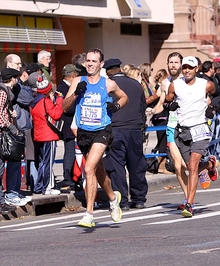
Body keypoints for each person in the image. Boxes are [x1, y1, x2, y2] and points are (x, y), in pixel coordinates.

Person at [62, 48, 128, 228]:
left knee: (89, 168)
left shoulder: (108, 84)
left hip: (102, 130)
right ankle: (113, 198)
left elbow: (124, 97)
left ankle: (89, 214)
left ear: (101, 64)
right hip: (84, 132)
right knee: (99, 172)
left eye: (93, 61)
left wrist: (116, 106)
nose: (90, 64)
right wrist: (76, 94)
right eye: (88, 61)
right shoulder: (77, 81)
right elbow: (64, 107)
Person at [165, 56, 218, 218]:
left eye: (190, 67)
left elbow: (216, 95)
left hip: (200, 129)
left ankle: (189, 203)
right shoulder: (176, 85)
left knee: (193, 167)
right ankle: (209, 164)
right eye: (185, 67)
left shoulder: (206, 84)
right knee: (189, 167)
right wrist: (170, 105)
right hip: (183, 131)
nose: (187, 70)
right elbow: (167, 99)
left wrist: (212, 108)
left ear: (197, 69)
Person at [103, 58, 148, 210]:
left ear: (108, 71)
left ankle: (122, 200)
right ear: (120, 68)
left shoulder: (108, 85)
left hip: (115, 128)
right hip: (135, 128)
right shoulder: (135, 84)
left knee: (117, 165)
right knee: (136, 163)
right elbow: (143, 106)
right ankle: (139, 198)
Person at [149, 52, 191, 210]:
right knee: (177, 166)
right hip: (172, 125)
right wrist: (152, 112)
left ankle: (206, 166)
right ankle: (188, 199)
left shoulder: (188, 80)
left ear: (181, 64)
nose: (173, 65)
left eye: (176, 62)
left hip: (188, 125)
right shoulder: (165, 83)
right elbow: (161, 103)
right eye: (170, 62)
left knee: (188, 166)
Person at [0, 68, 22, 214]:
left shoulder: (3, 91)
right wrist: (9, 126)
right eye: (16, 78)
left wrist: (9, 113)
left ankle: (0, 201)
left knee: (0, 168)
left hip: (0, 134)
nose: (17, 80)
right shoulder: (2, 92)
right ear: (13, 79)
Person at [3, 54, 34, 205]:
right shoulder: (10, 80)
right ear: (9, 64)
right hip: (13, 126)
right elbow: (27, 98)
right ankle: (11, 192)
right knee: (13, 161)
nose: (19, 67)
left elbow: (29, 95)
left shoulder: (19, 81)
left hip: (21, 124)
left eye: (20, 64)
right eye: (17, 64)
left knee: (17, 160)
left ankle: (16, 191)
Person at [31, 74, 63, 195]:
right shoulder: (46, 101)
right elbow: (56, 115)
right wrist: (59, 101)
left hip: (39, 134)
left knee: (42, 162)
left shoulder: (34, 101)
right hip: (48, 135)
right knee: (48, 162)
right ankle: (47, 187)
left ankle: (39, 187)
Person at [57, 64, 80, 191]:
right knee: (70, 153)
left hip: (73, 124)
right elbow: (67, 108)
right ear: (72, 75)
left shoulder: (66, 86)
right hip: (68, 124)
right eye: (76, 74)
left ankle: (74, 177)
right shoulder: (63, 88)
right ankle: (68, 178)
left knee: (75, 153)